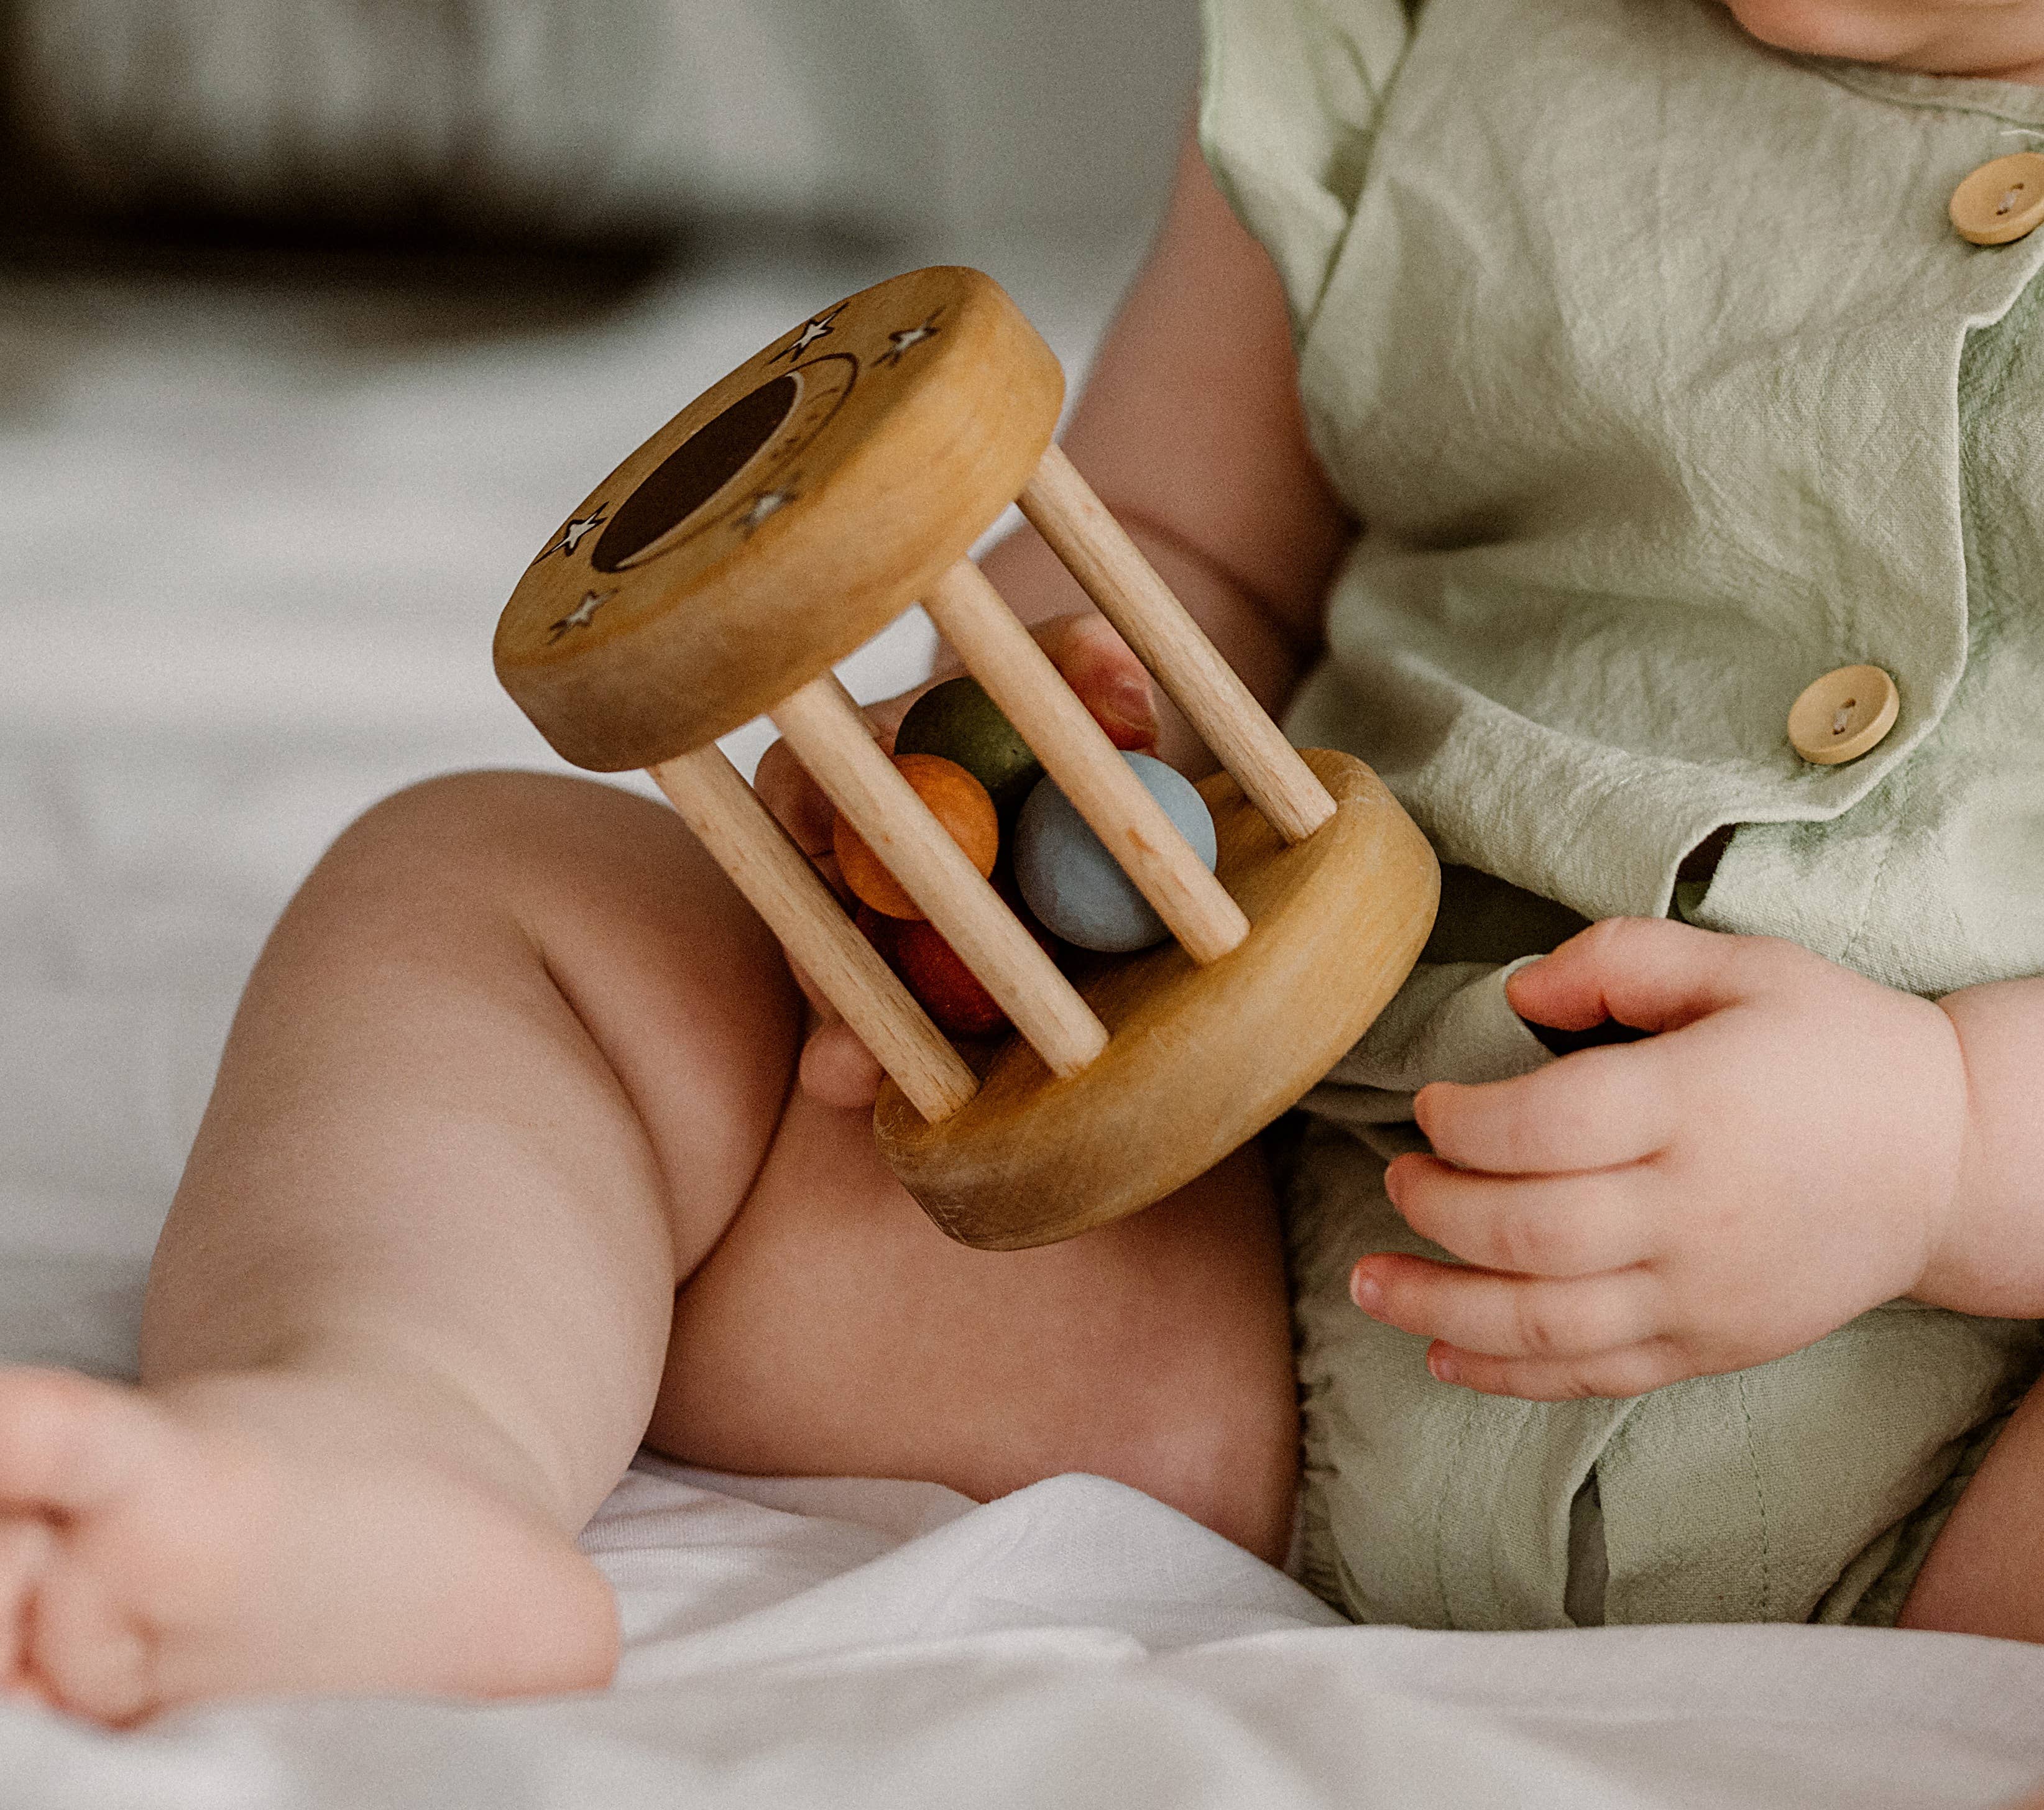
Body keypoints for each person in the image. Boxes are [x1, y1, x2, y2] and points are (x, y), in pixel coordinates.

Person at [4, 0, 2044, 1725]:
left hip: (1966, 1418)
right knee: (486, 900)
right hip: (1261, 1267)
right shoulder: (1408, 45)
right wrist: (992, 764)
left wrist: (1948, 1149)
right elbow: (1179, 544)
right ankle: (393, 1442)